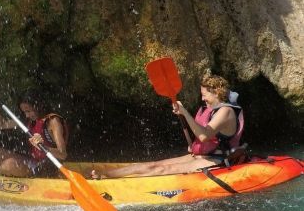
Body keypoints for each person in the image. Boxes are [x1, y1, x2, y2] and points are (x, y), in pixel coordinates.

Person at [92, 73, 245, 179]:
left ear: (216, 92)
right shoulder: (209, 109)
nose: (202, 98)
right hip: (204, 155)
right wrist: (195, 146)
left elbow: (204, 136)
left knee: (161, 170)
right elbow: (203, 137)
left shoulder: (226, 111)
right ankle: (108, 174)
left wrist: (184, 112)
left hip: (217, 159)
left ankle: (106, 178)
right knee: (153, 164)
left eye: (205, 94)